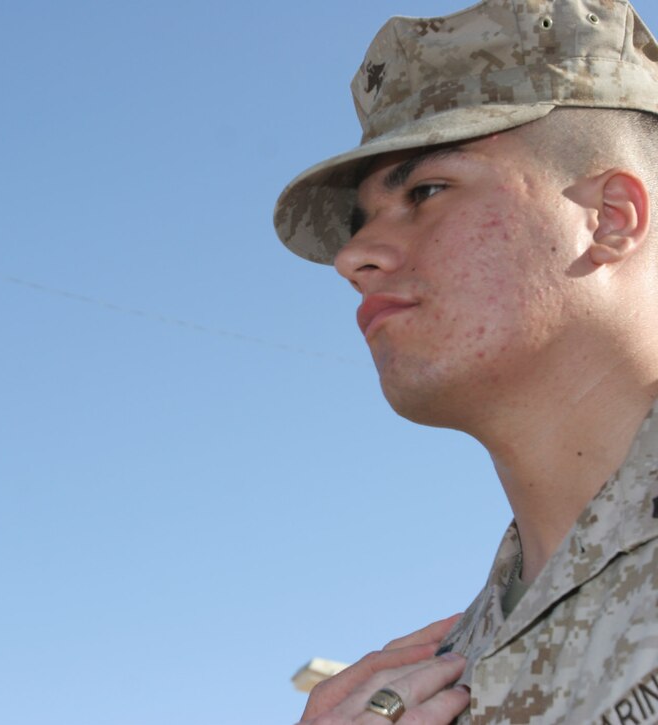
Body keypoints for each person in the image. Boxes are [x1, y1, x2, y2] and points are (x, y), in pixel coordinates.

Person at [274, 0, 658, 722]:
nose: (353, 258)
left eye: (425, 191)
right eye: (358, 227)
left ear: (611, 217)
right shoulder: (437, 677)